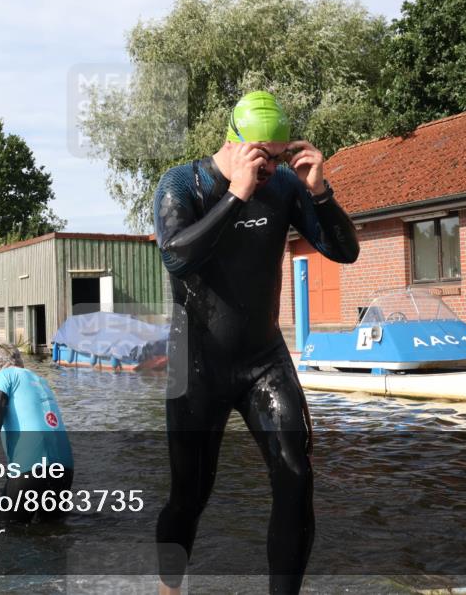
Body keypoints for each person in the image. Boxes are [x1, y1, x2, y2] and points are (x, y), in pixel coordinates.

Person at [152, 91, 360, 595]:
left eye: (279, 153)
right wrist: (236, 195)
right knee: (190, 495)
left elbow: (345, 251)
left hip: (262, 360)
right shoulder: (184, 183)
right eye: (261, 154)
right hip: (195, 365)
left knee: (295, 476)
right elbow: (178, 258)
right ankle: (169, 588)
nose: (269, 165)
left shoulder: (286, 186)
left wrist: (320, 192)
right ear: (234, 140)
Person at [0, 344, 74, 523]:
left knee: (7, 531)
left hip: (31, 464)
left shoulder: (2, 376)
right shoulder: (40, 380)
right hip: (65, 466)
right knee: (51, 533)